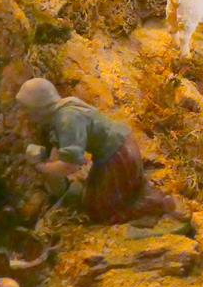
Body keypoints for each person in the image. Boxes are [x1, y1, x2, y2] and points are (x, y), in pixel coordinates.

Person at [15, 78, 181, 225]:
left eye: (27, 109)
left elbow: (70, 166)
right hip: (118, 149)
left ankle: (157, 203)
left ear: (39, 107)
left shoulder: (67, 119)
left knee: (100, 210)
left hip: (118, 155)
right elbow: (59, 150)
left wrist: (41, 166)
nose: (25, 114)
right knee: (91, 195)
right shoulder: (65, 107)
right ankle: (137, 190)